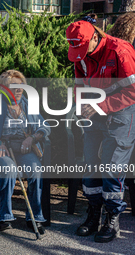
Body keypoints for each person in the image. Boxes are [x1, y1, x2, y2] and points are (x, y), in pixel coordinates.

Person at [66, 20, 135, 243]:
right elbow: (79, 85)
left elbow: (133, 91)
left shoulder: (120, 51)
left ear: (95, 36)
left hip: (121, 113)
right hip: (94, 114)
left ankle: (112, 219)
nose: (80, 55)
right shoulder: (80, 55)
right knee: (90, 165)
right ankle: (94, 214)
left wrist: (99, 105)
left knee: (111, 166)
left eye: (83, 48)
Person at [0, 70, 51, 234]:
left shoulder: (28, 105)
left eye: (20, 86)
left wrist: (32, 138)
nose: (18, 90)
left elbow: (45, 127)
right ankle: (4, 216)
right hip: (1, 148)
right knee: (9, 169)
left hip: (24, 147)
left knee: (36, 170)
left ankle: (35, 217)